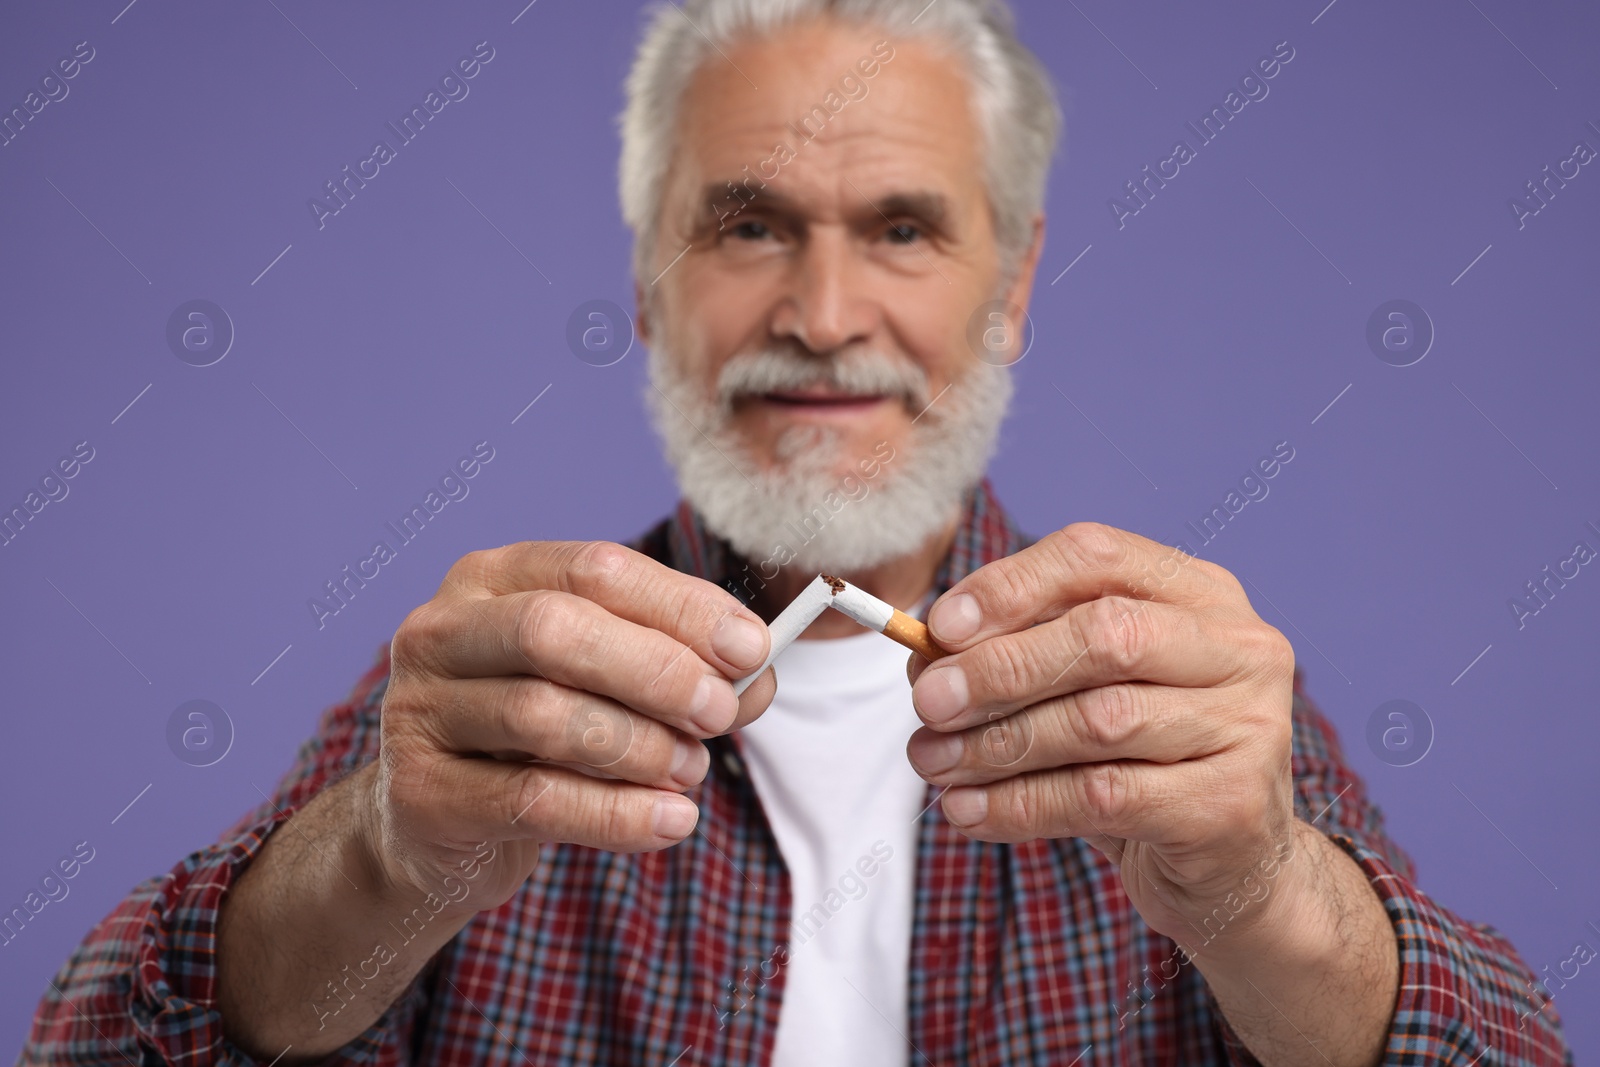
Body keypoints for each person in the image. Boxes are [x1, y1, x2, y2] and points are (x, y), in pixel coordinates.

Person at [21, 1, 1572, 1064]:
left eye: (901, 229)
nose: (824, 320)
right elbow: (95, 1036)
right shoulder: (489, 713)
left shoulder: (1178, 719)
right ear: (645, 281)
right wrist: (375, 858)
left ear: (1012, 286)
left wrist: (1268, 891)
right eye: (749, 224)